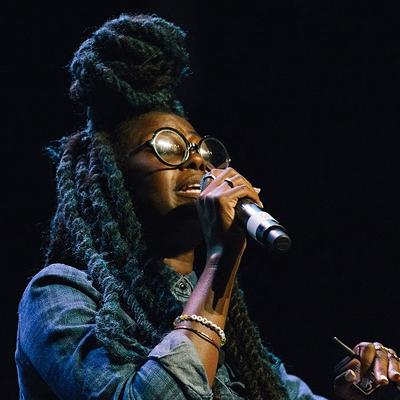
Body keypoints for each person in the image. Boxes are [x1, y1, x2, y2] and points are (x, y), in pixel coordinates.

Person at [15, 13, 400, 400]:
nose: (199, 162)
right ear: (110, 177)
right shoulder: (57, 295)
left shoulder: (238, 340)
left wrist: (359, 394)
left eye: (204, 151)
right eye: (169, 147)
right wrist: (220, 263)